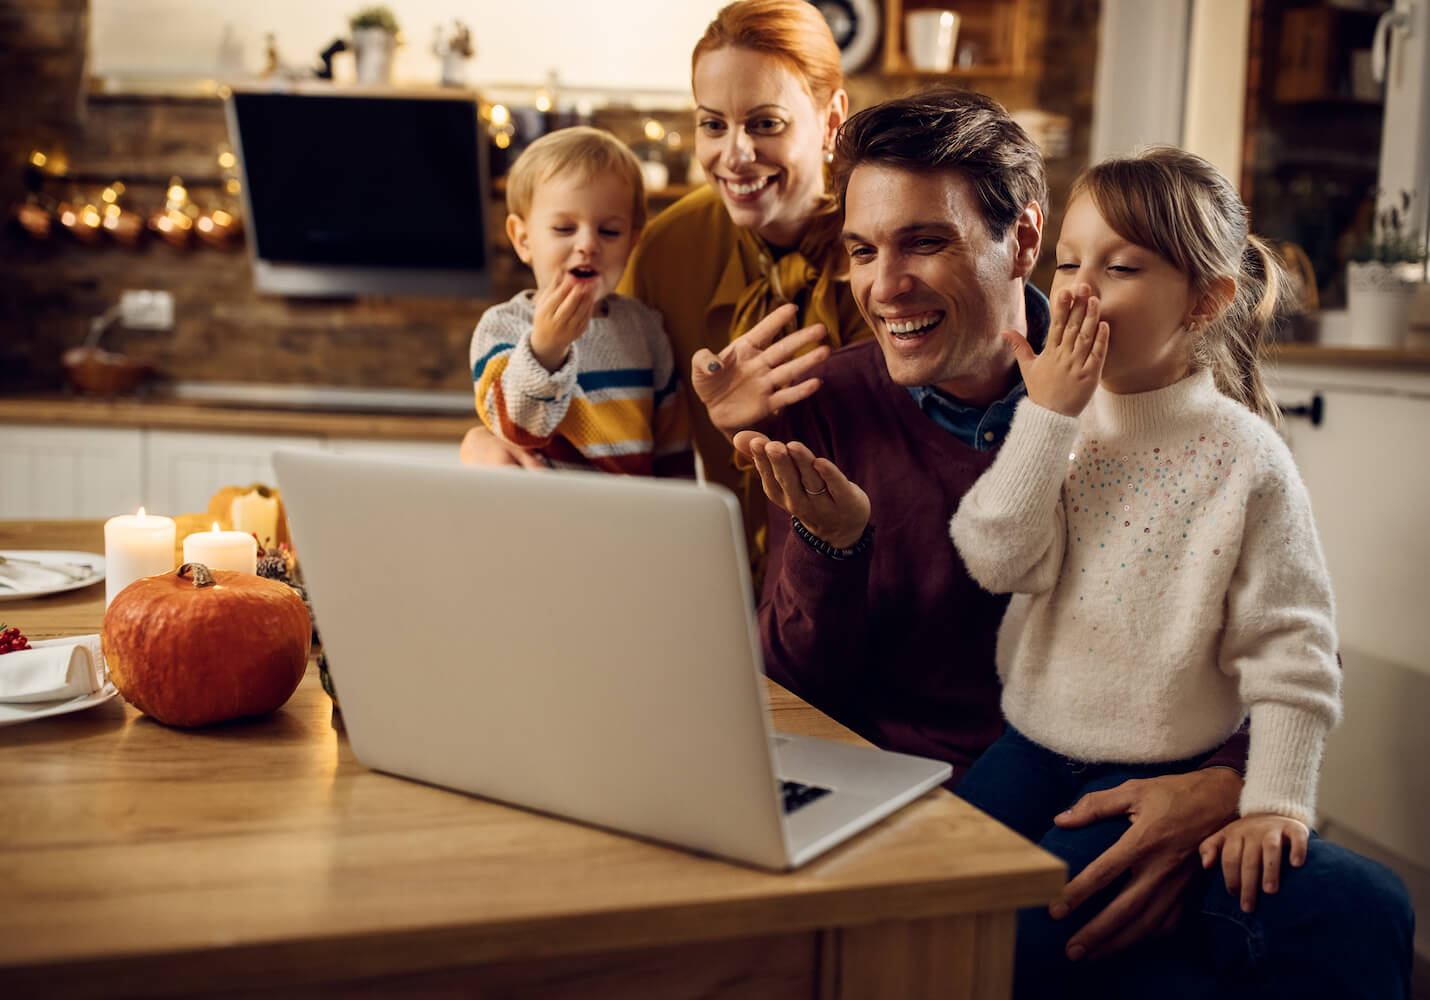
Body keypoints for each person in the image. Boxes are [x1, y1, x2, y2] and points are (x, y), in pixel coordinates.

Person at [721, 90, 1413, 998]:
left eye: (925, 241)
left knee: (1367, 908)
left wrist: (1230, 785)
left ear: (1023, 241)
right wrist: (832, 541)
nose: (883, 287)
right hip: (960, 779)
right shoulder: (832, 399)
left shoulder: (1167, 415)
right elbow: (807, 681)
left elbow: (1265, 642)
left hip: (1153, 769)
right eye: (861, 250)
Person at [948, 147, 1343, 993]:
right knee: (926, 906)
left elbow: (1295, 651)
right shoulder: (1057, 424)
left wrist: (1271, 801)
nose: (1081, 288)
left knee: (1018, 947)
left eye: (1120, 267)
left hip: (1150, 776)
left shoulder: (1248, 461)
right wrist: (1047, 421)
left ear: (1205, 302)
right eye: (1069, 261)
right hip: (1027, 748)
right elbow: (994, 558)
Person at [463, 0, 869, 560]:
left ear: (831, 120)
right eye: (712, 124)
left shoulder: (883, 248)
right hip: (716, 580)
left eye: (766, 123)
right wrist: (483, 442)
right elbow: (596, 385)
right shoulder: (667, 245)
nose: (735, 155)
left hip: (864, 588)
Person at [468, 126, 692, 477]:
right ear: (523, 239)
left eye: (609, 231)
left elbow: (673, 448)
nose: (588, 244)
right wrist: (545, 349)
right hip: (545, 519)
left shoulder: (646, 329)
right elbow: (517, 429)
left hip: (630, 522)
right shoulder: (503, 326)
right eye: (564, 229)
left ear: (633, 241)